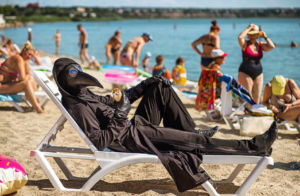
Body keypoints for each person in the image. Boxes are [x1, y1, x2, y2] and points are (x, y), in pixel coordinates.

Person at [53, 57, 278, 193]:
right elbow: (100, 142)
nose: (79, 75)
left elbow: (117, 99)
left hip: (132, 128)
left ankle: (188, 131)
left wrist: (145, 84)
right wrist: (121, 114)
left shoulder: (83, 95)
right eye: (73, 73)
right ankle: (255, 146)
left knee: (159, 88)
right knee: (195, 142)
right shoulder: (78, 107)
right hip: (132, 139)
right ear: (65, 82)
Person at [0, 41, 45, 113]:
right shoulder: (18, 58)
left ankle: (39, 103)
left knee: (31, 80)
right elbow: (22, 78)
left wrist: (23, 78)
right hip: (1, 84)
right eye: (29, 54)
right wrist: (22, 78)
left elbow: (27, 75)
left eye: (31, 56)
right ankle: (38, 109)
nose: (30, 57)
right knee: (26, 83)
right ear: (24, 50)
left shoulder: (25, 60)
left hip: (7, 83)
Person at [238, 23, 275, 104]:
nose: (252, 37)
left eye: (255, 35)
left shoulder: (260, 45)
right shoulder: (245, 44)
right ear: (248, 35)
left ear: (258, 35)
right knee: (247, 94)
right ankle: (247, 111)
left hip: (258, 72)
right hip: (245, 72)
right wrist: (249, 28)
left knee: (257, 95)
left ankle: (255, 112)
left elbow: (272, 46)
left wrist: (265, 37)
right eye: (251, 35)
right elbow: (240, 37)